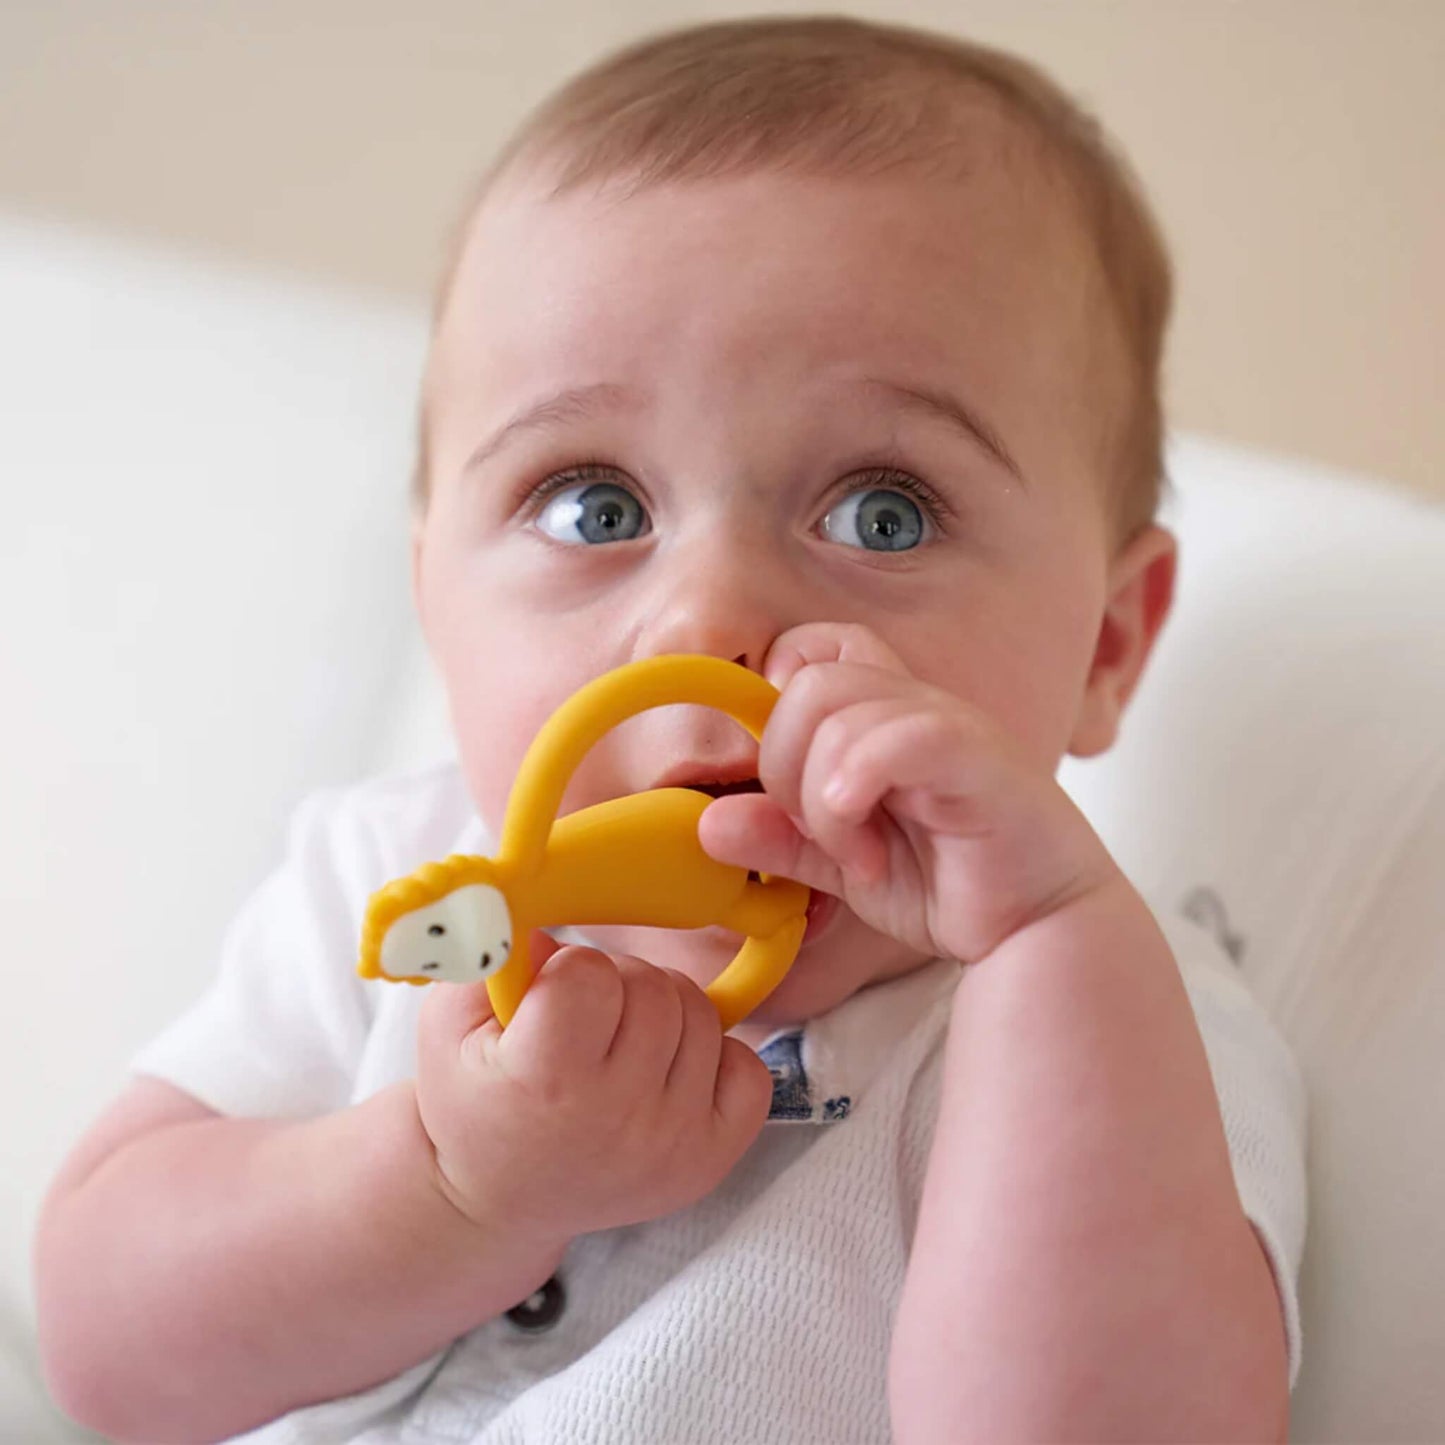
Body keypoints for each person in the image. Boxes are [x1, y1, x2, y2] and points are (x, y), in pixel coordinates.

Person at [34, 15, 1306, 1443]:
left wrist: (1048, 943)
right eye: (595, 506)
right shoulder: (395, 884)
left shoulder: (1117, 1016)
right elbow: (104, 1350)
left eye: (881, 512)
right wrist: (451, 1184)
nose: (709, 627)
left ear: (1104, 644)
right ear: (432, 598)